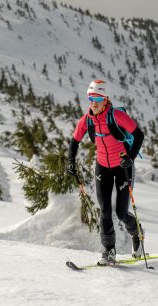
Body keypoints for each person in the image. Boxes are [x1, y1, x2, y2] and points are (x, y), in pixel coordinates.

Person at [66, 79, 144, 265]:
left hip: (122, 167)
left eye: (97, 98)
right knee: (105, 211)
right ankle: (109, 251)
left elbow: (139, 135)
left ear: (105, 99)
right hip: (102, 167)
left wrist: (130, 158)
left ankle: (137, 234)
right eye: (90, 98)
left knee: (121, 213)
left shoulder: (116, 116)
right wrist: (70, 161)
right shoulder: (86, 120)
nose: (93, 102)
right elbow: (74, 141)